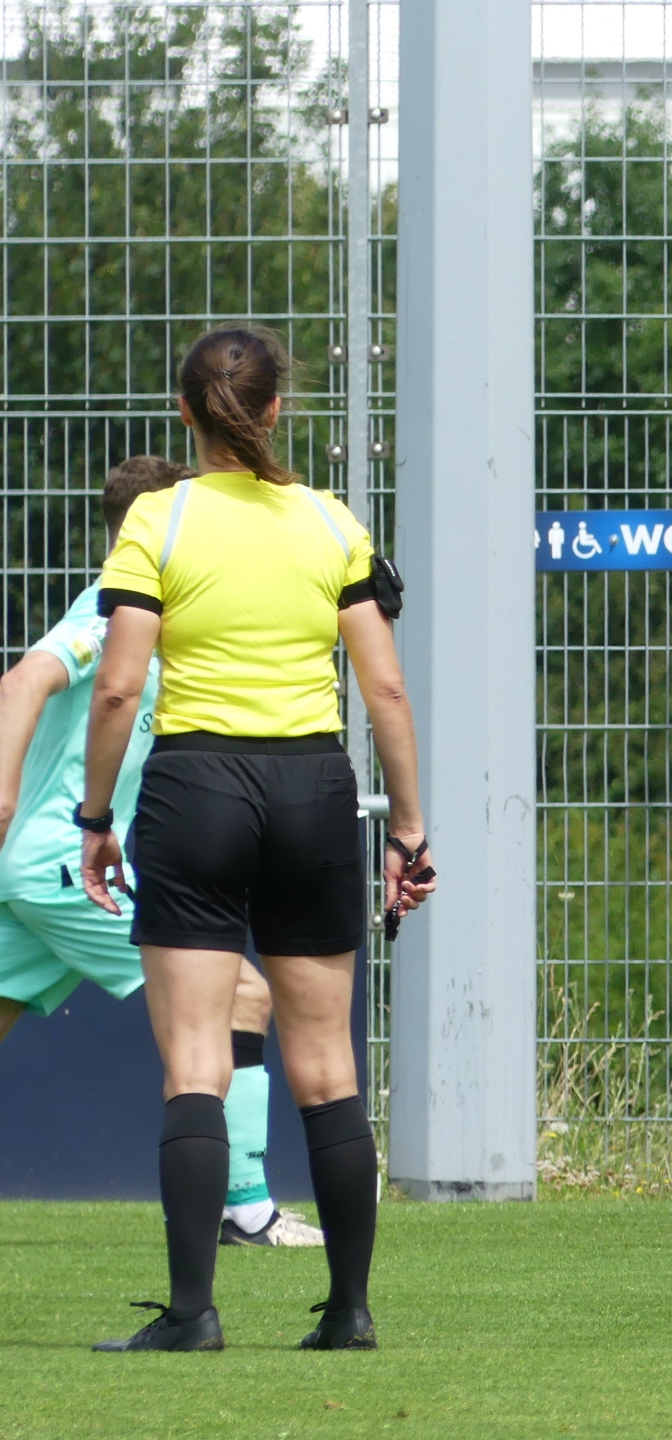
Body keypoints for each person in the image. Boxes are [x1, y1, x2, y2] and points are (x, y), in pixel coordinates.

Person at [80, 327, 436, 1352]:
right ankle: (350, 1312)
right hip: (313, 791)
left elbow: (117, 688)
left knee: (195, 1059)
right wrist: (409, 829)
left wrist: (96, 819)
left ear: (184, 412)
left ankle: (193, 1315)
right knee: (328, 1065)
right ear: (278, 409)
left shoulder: (159, 519)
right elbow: (386, 690)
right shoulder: (330, 520)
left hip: (195, 788)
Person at [0, 456, 322, 1250]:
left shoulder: (152, 618)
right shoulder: (109, 612)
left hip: (34, 865)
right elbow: (21, 684)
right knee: (239, 993)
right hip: (61, 863)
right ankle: (243, 1208)